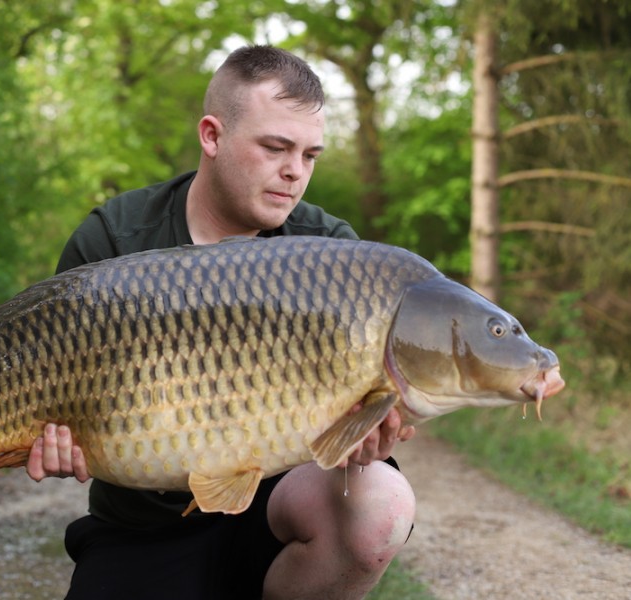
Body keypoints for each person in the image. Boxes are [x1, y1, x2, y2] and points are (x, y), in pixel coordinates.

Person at [26, 45, 416, 600]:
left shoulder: (331, 252)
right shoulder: (114, 240)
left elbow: (358, 420)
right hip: (144, 527)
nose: (295, 172)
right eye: (275, 148)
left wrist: (361, 440)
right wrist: (54, 438)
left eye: (310, 155)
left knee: (382, 502)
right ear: (212, 136)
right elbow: (45, 384)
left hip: (279, 513)